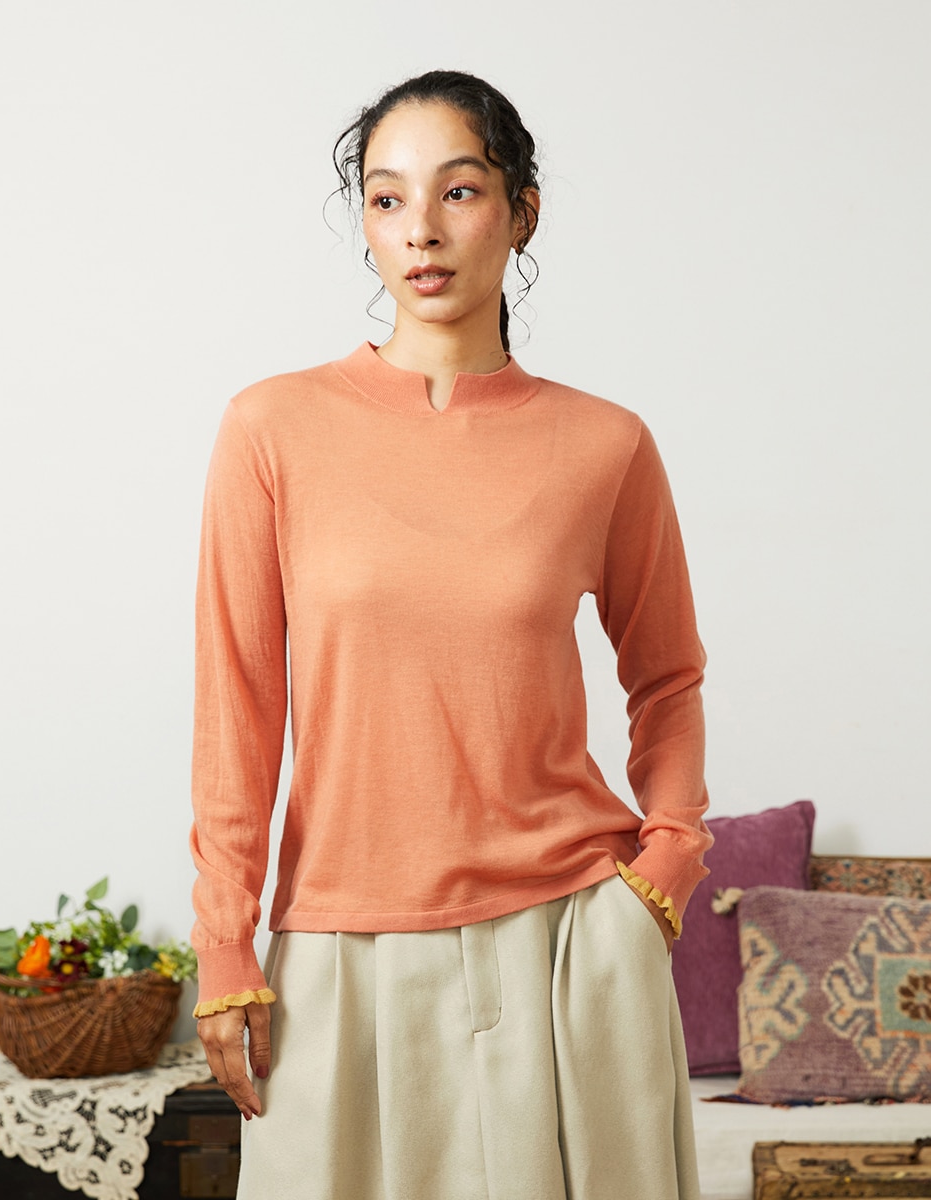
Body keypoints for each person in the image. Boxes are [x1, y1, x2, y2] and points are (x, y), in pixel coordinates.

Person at [190, 69, 711, 1200]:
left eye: (459, 191)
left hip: (569, 943)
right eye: (387, 199)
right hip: (338, 947)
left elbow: (667, 677)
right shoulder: (271, 429)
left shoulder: (606, 445)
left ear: (522, 212)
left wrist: (666, 865)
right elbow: (239, 703)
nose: (420, 229)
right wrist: (225, 943)